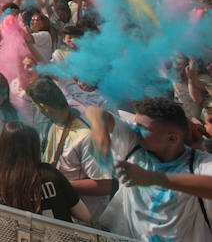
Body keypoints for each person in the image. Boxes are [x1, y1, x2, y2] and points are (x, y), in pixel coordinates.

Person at [86, 97, 212, 241]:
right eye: (135, 124)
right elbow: (94, 112)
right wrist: (99, 128)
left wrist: (154, 178)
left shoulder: (198, 164)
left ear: (172, 139)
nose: (134, 130)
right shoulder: (134, 144)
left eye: (143, 129)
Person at [26, 77, 115, 218]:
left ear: (44, 107)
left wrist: (61, 184)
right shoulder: (55, 123)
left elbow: (104, 185)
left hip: (86, 221)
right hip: (65, 212)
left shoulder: (85, 136)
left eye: (35, 106)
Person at [0, 121, 91, 223]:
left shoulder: (2, 180)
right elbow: (85, 216)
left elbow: (2, 221)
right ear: (35, 147)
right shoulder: (50, 174)